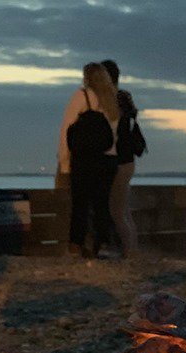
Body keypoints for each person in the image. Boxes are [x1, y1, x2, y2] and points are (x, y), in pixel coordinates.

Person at [57, 63, 119, 257]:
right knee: (102, 204)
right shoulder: (111, 101)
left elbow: (66, 130)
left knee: (80, 204)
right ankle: (104, 245)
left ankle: (76, 245)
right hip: (109, 160)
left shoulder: (83, 96)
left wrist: (65, 162)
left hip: (85, 160)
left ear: (87, 77)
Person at [101, 59, 139, 258]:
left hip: (119, 162)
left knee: (116, 210)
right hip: (129, 161)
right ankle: (132, 249)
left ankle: (129, 252)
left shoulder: (111, 101)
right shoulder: (125, 99)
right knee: (124, 209)